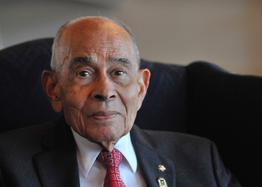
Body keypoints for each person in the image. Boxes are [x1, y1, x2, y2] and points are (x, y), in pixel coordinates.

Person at [0, 16, 241, 187]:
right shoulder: (9, 163)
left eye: (118, 73)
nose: (105, 91)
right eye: (84, 73)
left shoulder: (200, 158)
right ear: (53, 88)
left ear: (141, 87)